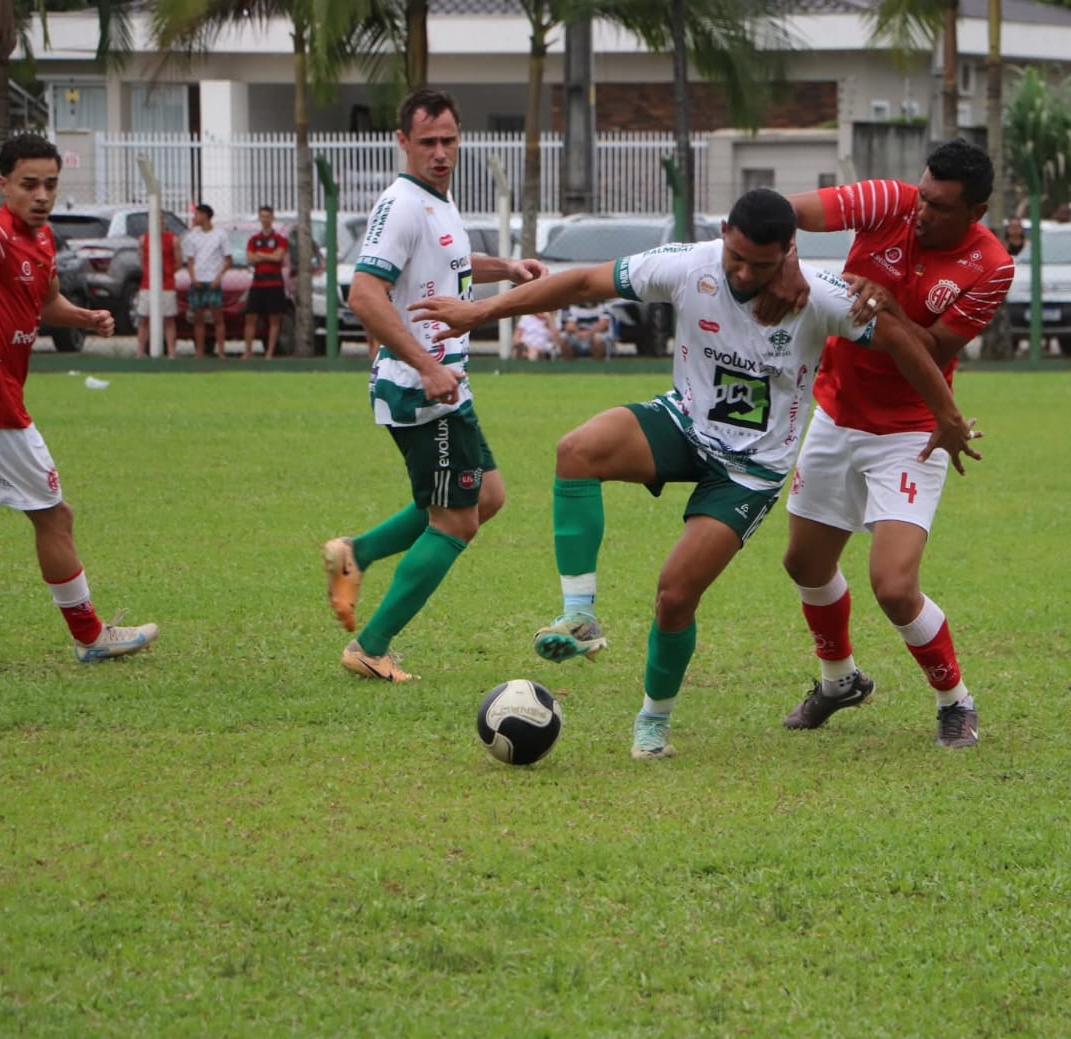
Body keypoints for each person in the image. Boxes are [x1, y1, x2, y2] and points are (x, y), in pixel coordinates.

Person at [409, 187, 981, 759]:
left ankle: (653, 724)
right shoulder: (688, 265)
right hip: (684, 424)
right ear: (725, 232)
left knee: (675, 596)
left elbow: (904, 340)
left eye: (761, 264)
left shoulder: (823, 298)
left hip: (751, 469)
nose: (742, 272)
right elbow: (584, 283)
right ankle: (580, 615)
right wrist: (480, 311)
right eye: (735, 255)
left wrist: (948, 417)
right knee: (577, 450)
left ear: (789, 251)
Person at [750, 140, 1015, 750]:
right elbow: (777, 211)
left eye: (942, 206)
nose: (922, 212)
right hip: (837, 413)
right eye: (923, 195)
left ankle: (956, 700)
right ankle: (838, 681)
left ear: (976, 211)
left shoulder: (990, 265)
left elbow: (933, 350)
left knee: (894, 587)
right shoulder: (885, 201)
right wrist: (788, 262)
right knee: (804, 564)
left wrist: (890, 306)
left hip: (909, 432)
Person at [318, 87, 547, 682]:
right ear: (403, 143)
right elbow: (364, 294)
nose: (441, 152)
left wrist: (508, 270)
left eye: (449, 139)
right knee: (455, 520)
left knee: (485, 498)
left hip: (446, 383)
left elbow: (450, 263)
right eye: (428, 142)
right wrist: (426, 365)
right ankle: (370, 646)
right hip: (424, 391)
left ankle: (355, 553)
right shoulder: (401, 205)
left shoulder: (436, 200)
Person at [0, 133, 157, 663]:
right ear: (3, 184)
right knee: (54, 516)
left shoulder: (40, 238)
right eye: (29, 184)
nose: (41, 195)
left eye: (50, 183)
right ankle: (91, 636)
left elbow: (42, 304)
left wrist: (85, 317)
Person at [182, 202, 231, 357]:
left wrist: (219, 277)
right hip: (198, 280)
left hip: (213, 280)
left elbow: (228, 259)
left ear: (205, 216)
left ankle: (221, 351)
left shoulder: (220, 235)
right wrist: (193, 277)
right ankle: (200, 352)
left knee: (218, 318)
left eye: (197, 214)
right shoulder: (192, 236)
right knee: (198, 318)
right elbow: (190, 260)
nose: (195, 217)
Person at [242, 204, 289, 358]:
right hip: (257, 284)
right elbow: (249, 258)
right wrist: (267, 256)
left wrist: (260, 255)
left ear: (272, 218)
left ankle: (269, 352)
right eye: (262, 217)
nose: (265, 220)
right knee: (250, 317)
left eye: (267, 217)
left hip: (274, 284)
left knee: (274, 319)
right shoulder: (254, 239)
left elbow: (278, 257)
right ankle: (247, 351)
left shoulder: (279, 239)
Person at [135, 224, 179, 358]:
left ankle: (171, 353)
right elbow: (142, 259)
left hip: (167, 285)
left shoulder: (173, 239)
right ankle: (140, 352)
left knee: (169, 319)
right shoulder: (144, 239)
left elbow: (178, 261)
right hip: (147, 285)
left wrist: (168, 273)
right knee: (144, 319)